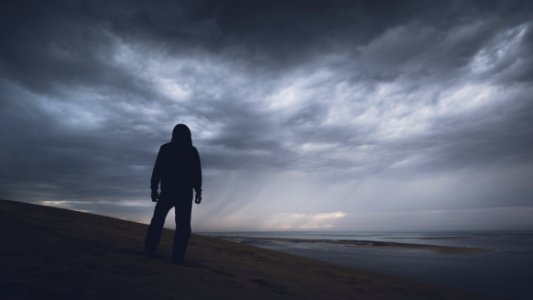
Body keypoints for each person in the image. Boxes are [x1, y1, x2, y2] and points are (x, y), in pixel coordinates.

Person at [143, 124, 202, 263]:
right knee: (182, 225)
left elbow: (157, 170)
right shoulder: (191, 151)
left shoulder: (166, 149)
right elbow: (196, 174)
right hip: (183, 193)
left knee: (158, 221)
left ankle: (150, 249)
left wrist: (153, 189)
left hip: (169, 191)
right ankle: (178, 256)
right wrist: (198, 191)